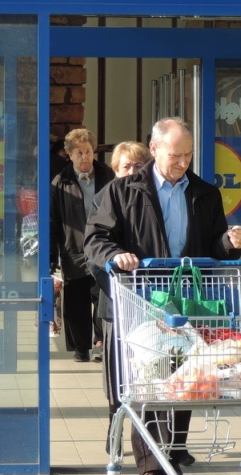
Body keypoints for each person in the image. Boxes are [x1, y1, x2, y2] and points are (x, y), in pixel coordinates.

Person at [84, 117, 241, 475]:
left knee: (183, 382)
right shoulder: (122, 191)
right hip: (137, 302)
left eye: (188, 155)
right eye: (175, 155)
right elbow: (95, 240)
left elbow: (215, 249)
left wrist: (232, 242)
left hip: (182, 303)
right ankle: (150, 470)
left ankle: (171, 454)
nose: (183, 162)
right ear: (154, 149)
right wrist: (116, 255)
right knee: (147, 382)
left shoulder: (206, 193)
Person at [88, 141, 153, 450]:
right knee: (118, 380)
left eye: (138, 166)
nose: (132, 172)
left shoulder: (153, 198)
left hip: (152, 304)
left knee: (154, 377)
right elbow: (94, 255)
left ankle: (163, 445)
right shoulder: (104, 199)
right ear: (115, 170)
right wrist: (118, 283)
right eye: (125, 166)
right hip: (116, 304)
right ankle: (114, 435)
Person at [49, 128, 116, 362]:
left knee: (102, 295)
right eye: (79, 153)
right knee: (76, 299)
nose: (85, 157)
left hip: (103, 246)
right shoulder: (61, 182)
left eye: (88, 151)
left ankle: (100, 342)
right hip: (74, 248)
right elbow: (53, 222)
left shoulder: (107, 174)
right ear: (69, 154)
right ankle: (80, 347)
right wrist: (51, 256)